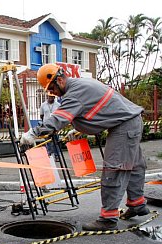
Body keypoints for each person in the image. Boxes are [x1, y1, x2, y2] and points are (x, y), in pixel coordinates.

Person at [21, 63, 149, 231]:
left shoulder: (74, 93)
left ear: (59, 80)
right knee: (133, 165)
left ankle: (108, 218)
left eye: (52, 89)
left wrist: (33, 133)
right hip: (129, 122)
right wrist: (78, 129)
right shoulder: (81, 85)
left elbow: (59, 119)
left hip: (123, 127)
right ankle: (137, 204)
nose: (52, 93)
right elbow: (99, 110)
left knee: (114, 168)